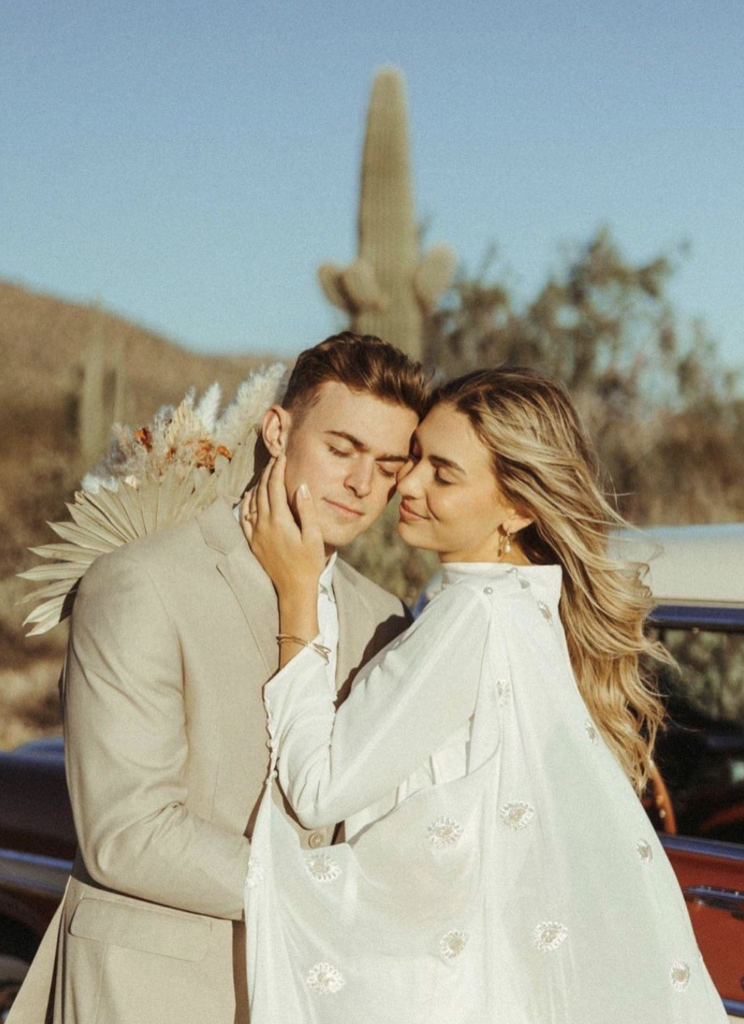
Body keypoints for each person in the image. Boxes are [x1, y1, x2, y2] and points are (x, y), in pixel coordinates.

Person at [241, 366, 728, 1023]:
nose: (406, 484)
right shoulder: (527, 609)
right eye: (414, 458)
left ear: (519, 507)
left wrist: (297, 594)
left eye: (443, 472)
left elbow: (320, 786)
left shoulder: (472, 615)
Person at [8, 333, 429, 1024]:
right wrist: (327, 892)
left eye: (387, 465)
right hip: (152, 995)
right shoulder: (142, 583)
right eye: (341, 449)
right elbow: (129, 834)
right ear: (277, 429)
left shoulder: (384, 619)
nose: (362, 485)